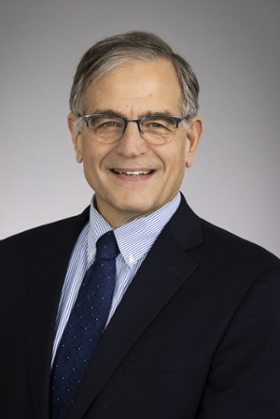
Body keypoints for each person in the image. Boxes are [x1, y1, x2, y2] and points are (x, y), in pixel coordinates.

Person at [0, 31, 280, 419]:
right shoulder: (9, 262)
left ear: (191, 139)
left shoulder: (255, 284)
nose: (131, 146)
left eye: (158, 123)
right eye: (107, 122)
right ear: (77, 136)